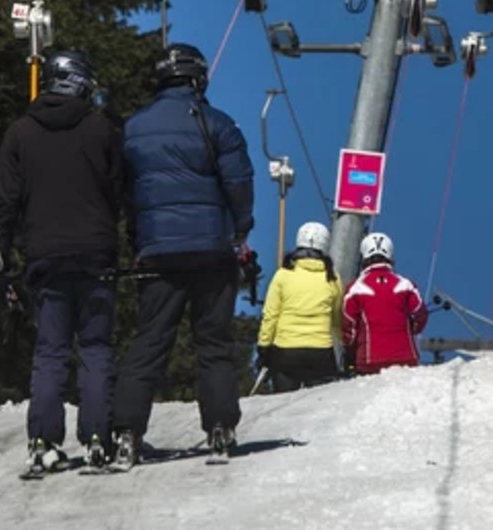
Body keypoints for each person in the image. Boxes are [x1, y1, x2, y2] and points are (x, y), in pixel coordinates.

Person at [112, 43, 255, 467]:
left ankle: (127, 432)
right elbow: (239, 183)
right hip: (212, 248)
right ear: (198, 78)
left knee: (150, 341)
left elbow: (125, 192)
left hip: (158, 250)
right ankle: (220, 428)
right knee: (213, 341)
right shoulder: (218, 123)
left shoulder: (133, 128)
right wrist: (240, 228)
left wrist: (138, 239)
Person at [0, 50, 123, 475]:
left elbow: (5, 202)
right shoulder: (100, 129)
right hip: (95, 252)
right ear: (80, 83)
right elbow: (118, 188)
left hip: (44, 254)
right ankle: (98, 435)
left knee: (51, 349)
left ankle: (43, 439)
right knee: (96, 346)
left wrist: (2, 259)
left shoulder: (20, 133)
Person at [256, 221, 343, 392]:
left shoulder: (283, 275)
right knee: (319, 402)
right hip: (321, 351)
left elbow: (271, 315)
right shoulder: (333, 278)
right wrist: (344, 345)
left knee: (285, 402)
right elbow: (337, 318)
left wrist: (264, 346)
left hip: (285, 350)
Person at [342, 232, 429, 374]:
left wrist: (350, 353)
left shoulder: (354, 288)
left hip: (369, 362)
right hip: (406, 359)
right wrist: (410, 329)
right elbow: (420, 314)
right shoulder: (406, 284)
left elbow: (349, 329)